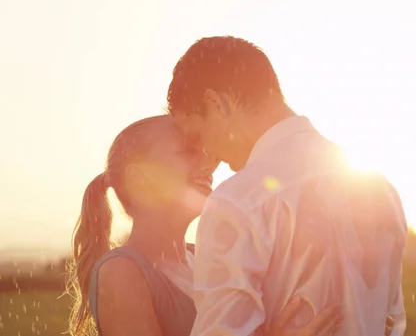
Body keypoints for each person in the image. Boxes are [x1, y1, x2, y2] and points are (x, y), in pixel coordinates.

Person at [167, 36, 408, 336]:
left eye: (198, 136)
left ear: (215, 104)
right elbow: (390, 325)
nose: (208, 155)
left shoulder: (237, 201)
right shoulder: (381, 190)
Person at [65, 115, 345, 336]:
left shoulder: (206, 257)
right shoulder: (121, 272)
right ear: (140, 177)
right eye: (190, 152)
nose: (211, 162)